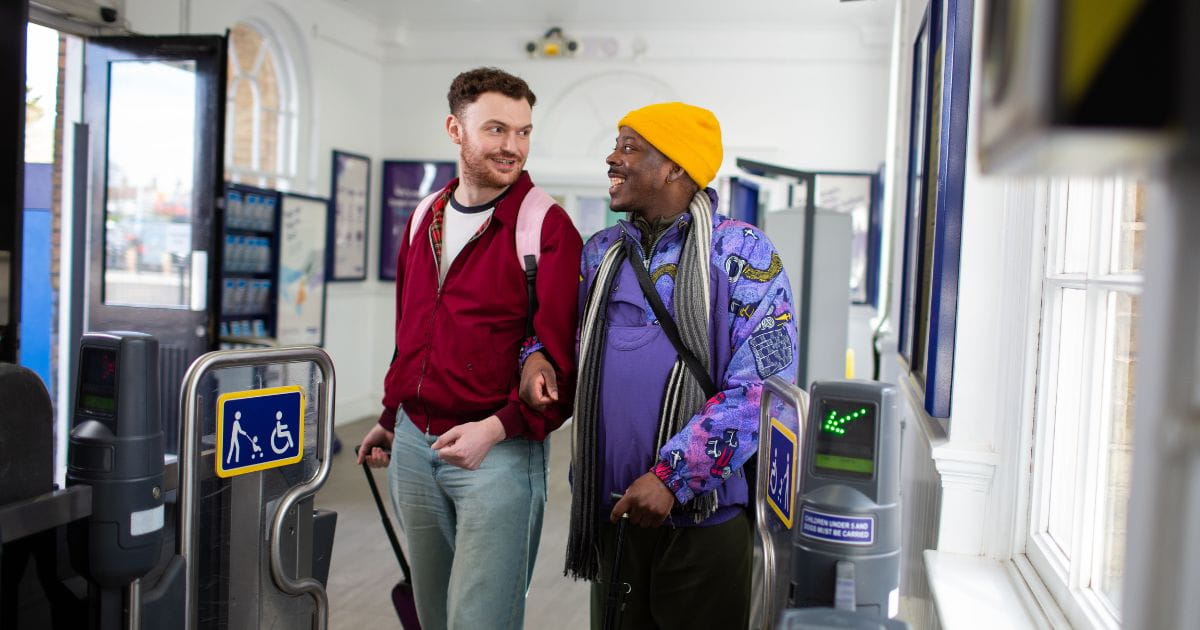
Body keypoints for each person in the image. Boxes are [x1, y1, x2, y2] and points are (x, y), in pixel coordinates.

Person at [522, 102, 798, 628]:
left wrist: (672, 478)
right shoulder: (600, 253)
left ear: (674, 166)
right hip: (614, 514)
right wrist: (533, 354)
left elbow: (762, 389)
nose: (612, 157)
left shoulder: (742, 254)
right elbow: (556, 335)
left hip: (704, 519)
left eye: (630, 147)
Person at [357, 67, 582, 630]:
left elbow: (563, 366)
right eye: (497, 129)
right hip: (413, 445)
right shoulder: (423, 217)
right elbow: (410, 332)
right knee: (433, 614)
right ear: (455, 129)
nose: (513, 146)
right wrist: (390, 415)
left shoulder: (546, 227)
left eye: (524, 132)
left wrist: (497, 428)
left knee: (480, 619)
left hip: (498, 453)